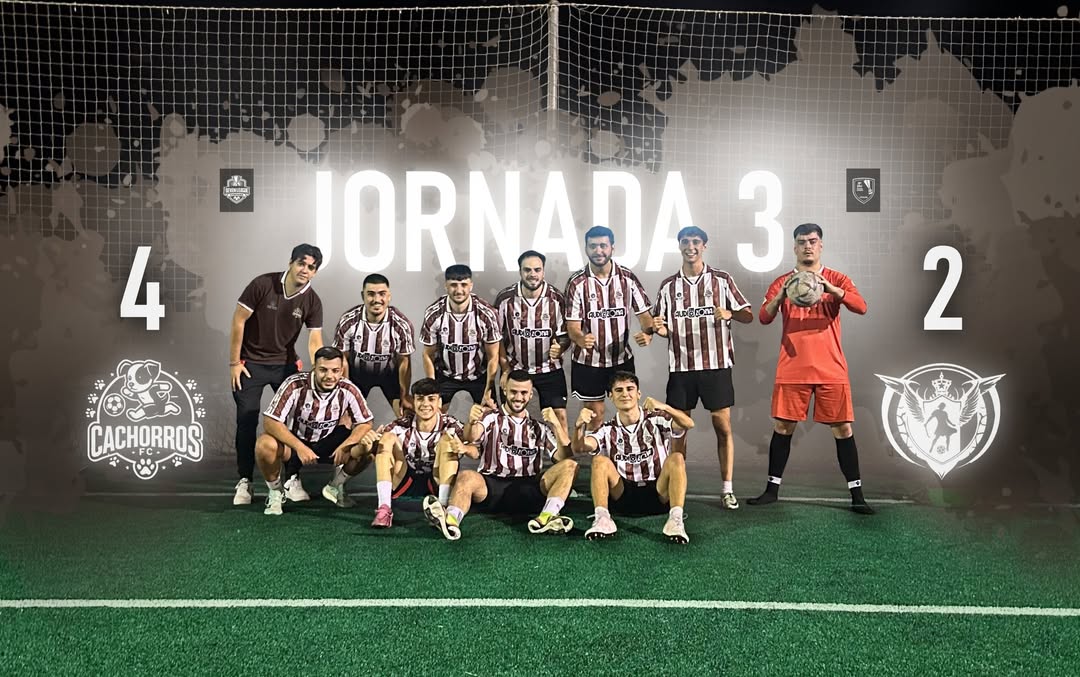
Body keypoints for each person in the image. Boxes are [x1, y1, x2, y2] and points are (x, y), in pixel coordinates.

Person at [748, 223, 874, 514]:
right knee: (783, 427)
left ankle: (857, 495)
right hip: (792, 368)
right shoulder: (782, 282)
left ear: (821, 246)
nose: (808, 246)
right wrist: (781, 296)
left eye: (813, 241)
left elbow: (861, 306)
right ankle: (771, 490)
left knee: (842, 429)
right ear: (794, 247)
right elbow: (764, 317)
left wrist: (832, 290)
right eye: (802, 241)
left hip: (831, 368)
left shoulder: (837, 278)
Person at [652, 226, 753, 510]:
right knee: (679, 430)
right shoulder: (668, 286)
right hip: (681, 369)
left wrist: (730, 313)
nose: (691, 246)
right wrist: (658, 329)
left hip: (716, 366)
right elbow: (662, 327)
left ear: (704, 246)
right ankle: (676, 489)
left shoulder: (721, 279)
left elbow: (748, 314)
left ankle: (727, 488)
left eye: (696, 241)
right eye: (685, 241)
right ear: (679, 245)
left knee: (722, 426)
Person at [423, 370, 578, 540]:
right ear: (505, 390)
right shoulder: (490, 417)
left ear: (530, 394)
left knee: (570, 466)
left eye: (523, 393)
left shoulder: (539, 427)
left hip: (528, 488)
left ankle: (546, 517)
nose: (518, 397)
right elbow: (472, 436)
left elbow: (563, 458)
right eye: (513, 392)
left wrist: (557, 425)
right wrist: (472, 421)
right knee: (466, 476)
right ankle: (450, 521)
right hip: (492, 486)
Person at [229, 243, 324, 507]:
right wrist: (234, 362)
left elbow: (315, 340)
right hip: (250, 364)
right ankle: (245, 481)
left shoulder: (312, 300)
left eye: (311, 267)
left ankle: (292, 478)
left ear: (315, 272)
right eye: (301, 264)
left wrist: (317, 371)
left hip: (285, 366)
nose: (305, 270)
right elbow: (238, 320)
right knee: (247, 419)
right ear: (291, 263)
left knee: (296, 421)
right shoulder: (262, 284)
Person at [571, 371, 694, 543]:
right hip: (622, 494)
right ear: (611, 396)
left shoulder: (656, 419)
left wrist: (665, 407)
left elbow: (688, 424)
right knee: (599, 461)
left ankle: (675, 520)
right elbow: (580, 448)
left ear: (638, 394)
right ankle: (602, 519)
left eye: (630, 389)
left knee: (677, 458)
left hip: (658, 493)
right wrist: (578, 427)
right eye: (619, 390)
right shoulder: (607, 429)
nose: (625, 394)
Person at [255, 347, 378, 516]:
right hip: (296, 444)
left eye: (335, 371)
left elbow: (365, 423)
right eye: (323, 370)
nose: (330, 376)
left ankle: (336, 486)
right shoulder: (294, 384)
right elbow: (270, 421)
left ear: (341, 370)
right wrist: (300, 447)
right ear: (314, 367)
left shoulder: (348, 388)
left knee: (369, 447)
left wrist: (346, 446)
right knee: (264, 444)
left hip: (329, 443)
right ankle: (276, 492)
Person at [564, 226, 654, 430]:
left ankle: (629, 450)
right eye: (593, 246)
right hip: (588, 362)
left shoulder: (627, 278)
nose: (598, 251)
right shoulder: (577, 282)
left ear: (612, 248)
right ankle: (596, 452)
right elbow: (572, 327)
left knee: (630, 414)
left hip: (621, 359)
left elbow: (645, 316)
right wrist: (580, 338)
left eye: (603, 246)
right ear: (586, 249)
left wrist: (648, 333)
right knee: (595, 416)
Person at [369, 378, 470, 528]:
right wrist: (370, 443)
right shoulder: (402, 424)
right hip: (404, 479)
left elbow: (476, 450)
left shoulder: (452, 425)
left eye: (431, 399)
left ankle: (441, 508)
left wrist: (465, 447)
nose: (425, 404)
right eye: (420, 399)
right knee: (387, 438)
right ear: (414, 402)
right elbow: (374, 452)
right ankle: (384, 509)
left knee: (447, 439)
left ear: (440, 402)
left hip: (436, 481)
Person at [493, 250, 571, 432]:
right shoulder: (505, 299)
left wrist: (560, 348)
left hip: (549, 369)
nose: (532, 274)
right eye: (527, 270)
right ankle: (510, 450)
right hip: (516, 368)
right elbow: (496, 338)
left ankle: (563, 451)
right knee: (509, 418)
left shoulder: (557, 299)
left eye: (537, 270)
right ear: (520, 271)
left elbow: (566, 335)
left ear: (543, 271)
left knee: (559, 417)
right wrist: (505, 369)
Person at [419, 264, 502, 413]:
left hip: (478, 375)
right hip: (445, 374)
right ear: (446, 286)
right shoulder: (434, 313)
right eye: (453, 285)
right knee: (434, 416)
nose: (458, 290)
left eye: (463, 285)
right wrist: (432, 387)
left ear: (471, 286)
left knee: (489, 417)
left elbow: (493, 356)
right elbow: (427, 354)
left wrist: (489, 388)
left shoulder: (486, 314)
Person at [332, 273, 415, 418]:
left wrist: (404, 394)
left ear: (389, 296)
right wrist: (346, 392)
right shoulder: (348, 321)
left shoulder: (401, 325)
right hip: (358, 374)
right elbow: (342, 359)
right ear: (362, 296)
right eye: (371, 294)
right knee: (347, 417)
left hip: (389, 374)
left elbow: (404, 361)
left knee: (405, 414)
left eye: (382, 294)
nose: (377, 300)